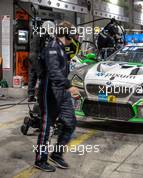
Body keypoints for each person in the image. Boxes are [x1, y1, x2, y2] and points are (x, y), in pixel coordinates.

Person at [34, 21, 79, 172]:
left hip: (62, 93)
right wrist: (69, 86)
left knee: (70, 123)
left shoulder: (62, 48)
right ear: (66, 33)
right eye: (72, 33)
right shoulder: (52, 47)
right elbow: (54, 72)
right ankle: (40, 159)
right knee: (47, 127)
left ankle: (57, 154)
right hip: (50, 92)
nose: (73, 36)